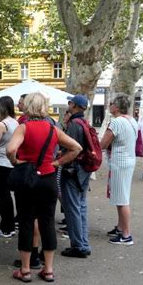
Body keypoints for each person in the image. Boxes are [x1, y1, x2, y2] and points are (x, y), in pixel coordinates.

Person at [7, 92, 82, 283]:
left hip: (28, 180)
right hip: (48, 179)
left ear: (28, 106)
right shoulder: (53, 129)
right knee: (47, 222)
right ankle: (48, 270)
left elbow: (10, 149)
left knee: (26, 221)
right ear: (44, 107)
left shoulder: (23, 127)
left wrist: (17, 161)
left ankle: (25, 270)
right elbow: (76, 148)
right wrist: (57, 163)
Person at [100, 93, 138, 246]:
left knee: (122, 199)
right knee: (121, 196)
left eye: (110, 104)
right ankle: (121, 227)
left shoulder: (115, 122)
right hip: (128, 160)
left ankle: (126, 235)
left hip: (119, 162)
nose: (109, 106)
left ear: (116, 107)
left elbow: (103, 144)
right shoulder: (132, 120)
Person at [60, 95, 92, 258]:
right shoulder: (84, 122)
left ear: (76, 106)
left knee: (72, 208)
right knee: (81, 206)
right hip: (85, 169)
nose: (68, 105)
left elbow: (71, 148)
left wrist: (60, 160)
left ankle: (78, 246)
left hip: (73, 169)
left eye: (70, 103)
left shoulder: (74, 124)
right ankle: (84, 243)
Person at [0, 96, 19, 238]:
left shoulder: (1, 125)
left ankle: (6, 227)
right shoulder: (16, 123)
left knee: (2, 196)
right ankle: (11, 225)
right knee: (9, 195)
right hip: (12, 163)